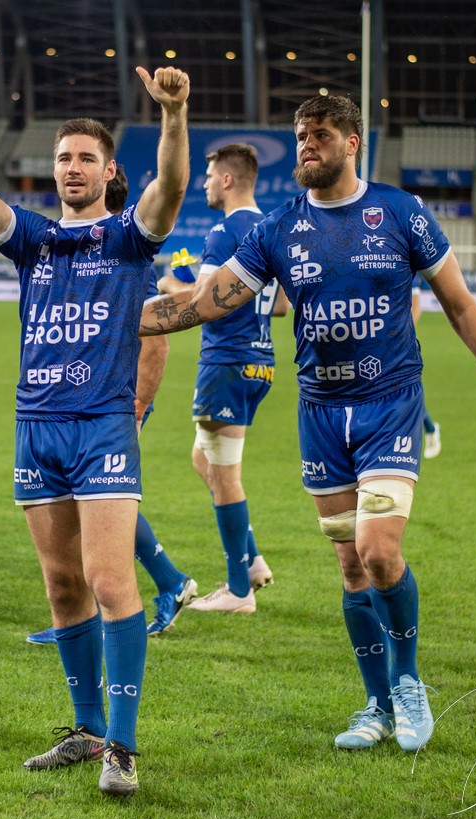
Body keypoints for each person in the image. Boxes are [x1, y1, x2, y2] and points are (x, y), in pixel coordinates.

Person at [138, 95, 476, 754]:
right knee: (350, 568)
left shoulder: (400, 214)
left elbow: (460, 307)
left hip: (388, 406)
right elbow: (207, 301)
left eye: (319, 135)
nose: (305, 146)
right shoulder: (276, 229)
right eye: (298, 136)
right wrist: (121, 315)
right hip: (319, 413)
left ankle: (406, 683)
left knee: (379, 552)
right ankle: (374, 704)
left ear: (352, 142)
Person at [0, 66, 190, 797]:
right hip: (35, 426)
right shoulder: (32, 239)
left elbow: (170, 189)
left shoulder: (130, 237)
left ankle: (124, 749)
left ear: (107, 172)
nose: (71, 167)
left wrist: (172, 114)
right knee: (62, 585)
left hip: (101, 425)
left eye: (84, 159)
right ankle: (86, 726)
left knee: (107, 579)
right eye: (62, 158)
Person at [25, 167, 197, 645]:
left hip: (114, 405)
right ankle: (112, 605)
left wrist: (138, 407)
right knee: (90, 503)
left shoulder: (126, 259)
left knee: (101, 504)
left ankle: (160, 585)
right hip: (78, 404)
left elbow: (155, 341)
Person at [155, 142, 284, 615]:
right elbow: (284, 304)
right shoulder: (271, 229)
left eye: (209, 176)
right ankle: (250, 563)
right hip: (260, 362)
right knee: (203, 460)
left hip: (226, 362)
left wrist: (172, 282)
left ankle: (237, 591)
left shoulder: (225, 232)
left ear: (227, 180)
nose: (205, 183)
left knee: (225, 476)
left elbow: (202, 302)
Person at [412, 277, 441, 459]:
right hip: (373, 339)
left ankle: (430, 429)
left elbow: (416, 307)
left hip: (397, 342)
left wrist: (403, 333)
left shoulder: (404, 262)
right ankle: (430, 428)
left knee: (404, 390)